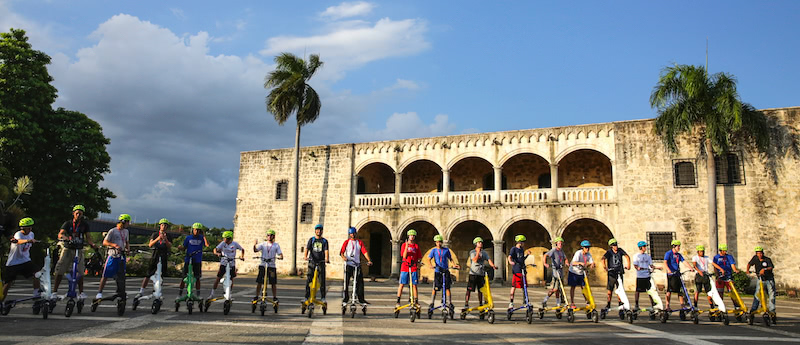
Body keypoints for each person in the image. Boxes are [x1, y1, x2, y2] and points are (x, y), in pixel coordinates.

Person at [53, 205, 96, 300]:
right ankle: (54, 292)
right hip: (68, 249)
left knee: (80, 271)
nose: (78, 214)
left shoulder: (85, 225)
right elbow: (60, 234)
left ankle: (81, 292)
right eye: (77, 213)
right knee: (60, 270)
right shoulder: (67, 223)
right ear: (73, 213)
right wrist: (66, 238)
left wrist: (93, 245)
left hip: (79, 249)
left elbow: (88, 237)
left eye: (80, 213)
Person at [1, 218, 40, 306]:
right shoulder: (18, 234)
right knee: (8, 283)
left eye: (30, 227)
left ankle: (36, 293)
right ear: (22, 228)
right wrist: (28, 241)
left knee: (37, 273)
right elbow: (18, 241)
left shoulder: (31, 234)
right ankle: (1, 301)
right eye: (27, 228)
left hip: (25, 261)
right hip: (13, 263)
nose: (29, 230)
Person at [96, 214, 131, 299]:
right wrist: (114, 245)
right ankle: (99, 292)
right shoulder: (113, 231)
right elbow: (105, 242)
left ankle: (121, 292)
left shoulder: (126, 231)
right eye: (127, 222)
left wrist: (128, 249)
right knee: (106, 274)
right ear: (123, 222)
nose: (128, 224)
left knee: (121, 275)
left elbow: (127, 242)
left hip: (121, 255)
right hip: (113, 255)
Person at [136, 218, 172, 299]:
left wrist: (165, 239)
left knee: (161, 275)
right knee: (149, 273)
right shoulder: (155, 234)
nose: (164, 227)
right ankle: (141, 291)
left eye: (165, 225)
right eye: (162, 225)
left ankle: (157, 290)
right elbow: (150, 244)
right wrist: (158, 239)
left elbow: (170, 246)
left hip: (163, 255)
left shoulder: (168, 236)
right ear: (160, 226)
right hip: (155, 254)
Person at [340, 227, 372, 305]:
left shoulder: (359, 242)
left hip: (357, 265)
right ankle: (346, 298)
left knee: (360, 282)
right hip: (349, 264)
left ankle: (361, 299)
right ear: (349, 234)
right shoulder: (346, 242)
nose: (353, 235)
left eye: (354, 233)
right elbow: (341, 252)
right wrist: (344, 257)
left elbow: (364, 252)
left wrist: (369, 260)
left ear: (356, 234)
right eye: (351, 233)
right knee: (346, 282)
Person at [208, 231, 244, 299]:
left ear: (229, 238)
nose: (224, 240)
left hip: (232, 263)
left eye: (226, 238)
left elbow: (242, 249)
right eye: (224, 238)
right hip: (224, 263)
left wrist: (242, 256)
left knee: (231, 279)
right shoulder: (223, 243)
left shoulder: (235, 244)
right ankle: (212, 293)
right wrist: (217, 253)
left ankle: (229, 293)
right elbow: (215, 249)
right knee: (218, 278)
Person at [428, 234, 459, 310]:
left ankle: (449, 302)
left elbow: (450, 258)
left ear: (442, 242)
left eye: (440, 242)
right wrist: (431, 265)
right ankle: (432, 302)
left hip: (445, 270)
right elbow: (429, 259)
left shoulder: (446, 250)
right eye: (437, 242)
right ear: (435, 243)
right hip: (438, 271)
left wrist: (454, 265)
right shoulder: (434, 250)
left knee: (447, 287)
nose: (438, 244)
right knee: (435, 288)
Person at [177, 223, 209, 297]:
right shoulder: (188, 238)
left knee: (197, 277)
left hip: (197, 260)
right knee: (184, 277)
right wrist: (180, 248)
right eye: (195, 230)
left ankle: (198, 293)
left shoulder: (201, 238)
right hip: (188, 259)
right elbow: (184, 247)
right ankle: (180, 293)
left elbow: (207, 245)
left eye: (198, 230)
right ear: (192, 230)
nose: (196, 231)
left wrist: (204, 236)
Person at [465, 237, 496, 308]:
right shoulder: (472, 252)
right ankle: (466, 303)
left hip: (481, 273)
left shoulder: (484, 252)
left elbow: (488, 260)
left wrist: (493, 266)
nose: (481, 243)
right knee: (469, 290)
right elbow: (475, 260)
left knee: (480, 290)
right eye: (479, 242)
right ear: (476, 244)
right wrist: (478, 252)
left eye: (481, 242)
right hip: (473, 274)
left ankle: (480, 303)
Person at [253, 229, 283, 303]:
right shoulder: (263, 244)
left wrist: (281, 256)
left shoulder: (276, 245)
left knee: (273, 282)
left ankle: (274, 297)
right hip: (263, 264)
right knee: (259, 281)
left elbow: (280, 253)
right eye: (268, 235)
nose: (269, 237)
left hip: (271, 265)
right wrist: (254, 245)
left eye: (270, 235)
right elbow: (255, 250)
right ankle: (256, 296)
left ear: (273, 236)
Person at [602, 238, 630, 310]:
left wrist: (628, 265)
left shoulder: (620, 250)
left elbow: (627, 256)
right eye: (614, 245)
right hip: (612, 273)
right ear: (611, 246)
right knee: (610, 289)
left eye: (616, 245)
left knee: (620, 288)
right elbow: (603, 258)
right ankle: (608, 303)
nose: (616, 247)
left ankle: (620, 302)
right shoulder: (609, 252)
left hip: (619, 272)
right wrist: (605, 267)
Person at [746, 246, 775, 315]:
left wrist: (764, 269)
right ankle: (753, 309)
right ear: (756, 254)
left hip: (769, 279)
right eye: (758, 253)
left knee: (771, 294)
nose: (760, 255)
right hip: (760, 279)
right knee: (757, 294)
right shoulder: (755, 258)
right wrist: (747, 270)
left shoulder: (767, 259)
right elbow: (749, 264)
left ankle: (772, 310)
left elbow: (771, 267)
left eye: (761, 253)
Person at [304, 224, 329, 302]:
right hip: (312, 261)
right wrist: (305, 256)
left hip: (321, 262)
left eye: (320, 230)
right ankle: (306, 296)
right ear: (315, 231)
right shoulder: (311, 240)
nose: (319, 231)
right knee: (309, 279)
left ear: (322, 231)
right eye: (317, 230)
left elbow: (326, 251)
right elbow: (307, 249)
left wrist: (327, 259)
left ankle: (323, 297)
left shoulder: (324, 241)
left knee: (322, 280)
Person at [396, 229, 421, 308]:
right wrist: (406, 247)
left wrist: (418, 263)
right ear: (408, 236)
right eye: (411, 235)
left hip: (413, 267)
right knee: (402, 284)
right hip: (405, 267)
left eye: (413, 236)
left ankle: (416, 301)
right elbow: (403, 256)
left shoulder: (416, 246)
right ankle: (398, 300)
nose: (412, 237)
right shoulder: (404, 245)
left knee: (414, 285)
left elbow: (419, 257)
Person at [542, 236, 569, 308]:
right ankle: (545, 300)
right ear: (556, 243)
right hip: (555, 272)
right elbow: (545, 255)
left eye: (561, 243)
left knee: (559, 289)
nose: (560, 244)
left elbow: (565, 258)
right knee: (555, 289)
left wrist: (566, 262)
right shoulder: (553, 250)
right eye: (559, 243)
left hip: (561, 272)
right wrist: (545, 263)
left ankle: (558, 303)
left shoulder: (561, 251)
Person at [568, 240, 595, 308]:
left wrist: (592, 264)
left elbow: (591, 262)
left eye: (588, 247)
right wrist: (580, 263)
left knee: (584, 287)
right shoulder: (578, 253)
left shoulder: (588, 254)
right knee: (573, 287)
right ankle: (572, 303)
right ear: (582, 248)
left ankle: (587, 302)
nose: (587, 249)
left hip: (581, 272)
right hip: (574, 272)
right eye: (586, 247)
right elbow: (573, 263)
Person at [632, 241, 658, 310]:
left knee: (650, 290)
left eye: (645, 246)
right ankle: (636, 304)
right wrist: (638, 268)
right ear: (640, 247)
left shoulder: (647, 256)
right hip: (640, 276)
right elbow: (635, 265)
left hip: (647, 275)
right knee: (638, 291)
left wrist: (656, 267)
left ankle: (653, 303)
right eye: (644, 247)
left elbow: (651, 265)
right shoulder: (636, 256)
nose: (645, 248)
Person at [663, 239, 687, 312]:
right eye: (678, 246)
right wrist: (668, 270)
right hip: (671, 274)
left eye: (679, 246)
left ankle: (682, 305)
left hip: (677, 273)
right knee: (669, 290)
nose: (679, 248)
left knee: (680, 290)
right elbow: (665, 262)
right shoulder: (669, 253)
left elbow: (684, 261)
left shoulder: (679, 255)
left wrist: (690, 268)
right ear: (674, 246)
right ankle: (667, 305)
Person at [507, 234, 530, 310]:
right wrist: (510, 262)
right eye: (523, 242)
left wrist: (527, 255)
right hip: (516, 270)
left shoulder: (522, 250)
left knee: (524, 286)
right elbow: (509, 257)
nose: (524, 243)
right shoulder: (514, 249)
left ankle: (525, 299)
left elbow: (522, 259)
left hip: (523, 269)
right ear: (519, 242)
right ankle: (511, 302)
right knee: (514, 286)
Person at [690, 245, 714, 309]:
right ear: (698, 252)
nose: (702, 253)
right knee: (698, 291)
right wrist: (699, 271)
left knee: (708, 291)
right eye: (700, 252)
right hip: (699, 275)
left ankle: (712, 306)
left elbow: (713, 263)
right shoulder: (695, 257)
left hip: (705, 275)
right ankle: (695, 305)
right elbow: (694, 265)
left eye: (703, 251)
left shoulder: (706, 257)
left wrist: (720, 269)